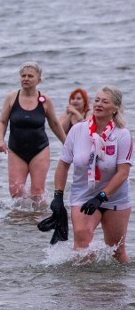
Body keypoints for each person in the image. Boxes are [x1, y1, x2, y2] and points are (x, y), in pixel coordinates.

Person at [49, 86, 132, 262]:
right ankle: (84, 287)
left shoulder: (122, 135)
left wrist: (102, 196)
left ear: (115, 108)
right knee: (81, 242)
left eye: (105, 101)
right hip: (84, 194)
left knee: (117, 251)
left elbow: (123, 173)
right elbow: (63, 165)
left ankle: (122, 287)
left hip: (115, 197)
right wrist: (57, 196)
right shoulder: (78, 130)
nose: (99, 104)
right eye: (97, 100)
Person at [0, 62, 67, 201]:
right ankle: (18, 220)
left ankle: (37, 218)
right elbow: (2, 121)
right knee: (16, 192)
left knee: (37, 193)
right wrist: (0, 140)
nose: (26, 79)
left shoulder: (45, 100)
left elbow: (54, 124)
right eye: (23, 76)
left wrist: (67, 143)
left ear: (38, 80)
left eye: (30, 76)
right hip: (16, 150)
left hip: (39, 149)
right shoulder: (11, 97)